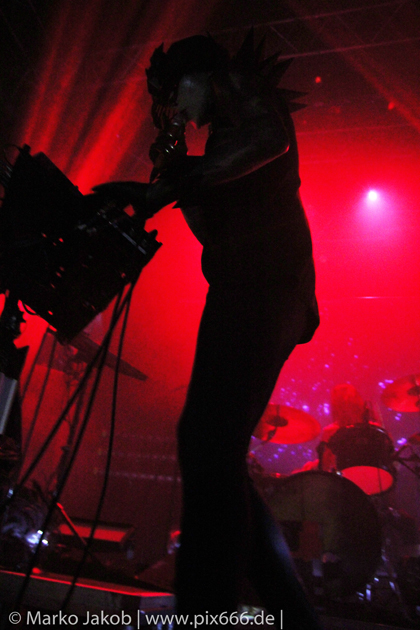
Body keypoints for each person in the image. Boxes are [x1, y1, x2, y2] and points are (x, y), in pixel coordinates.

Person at [95, 32, 321, 629]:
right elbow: (213, 230)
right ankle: (285, 612)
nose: (178, 111)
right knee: (213, 449)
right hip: (250, 290)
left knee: (207, 442)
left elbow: (268, 140)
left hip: (263, 291)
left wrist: (167, 186)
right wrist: (170, 178)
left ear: (199, 77)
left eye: (177, 95)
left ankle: (208, 606)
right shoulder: (224, 139)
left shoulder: (241, 91)